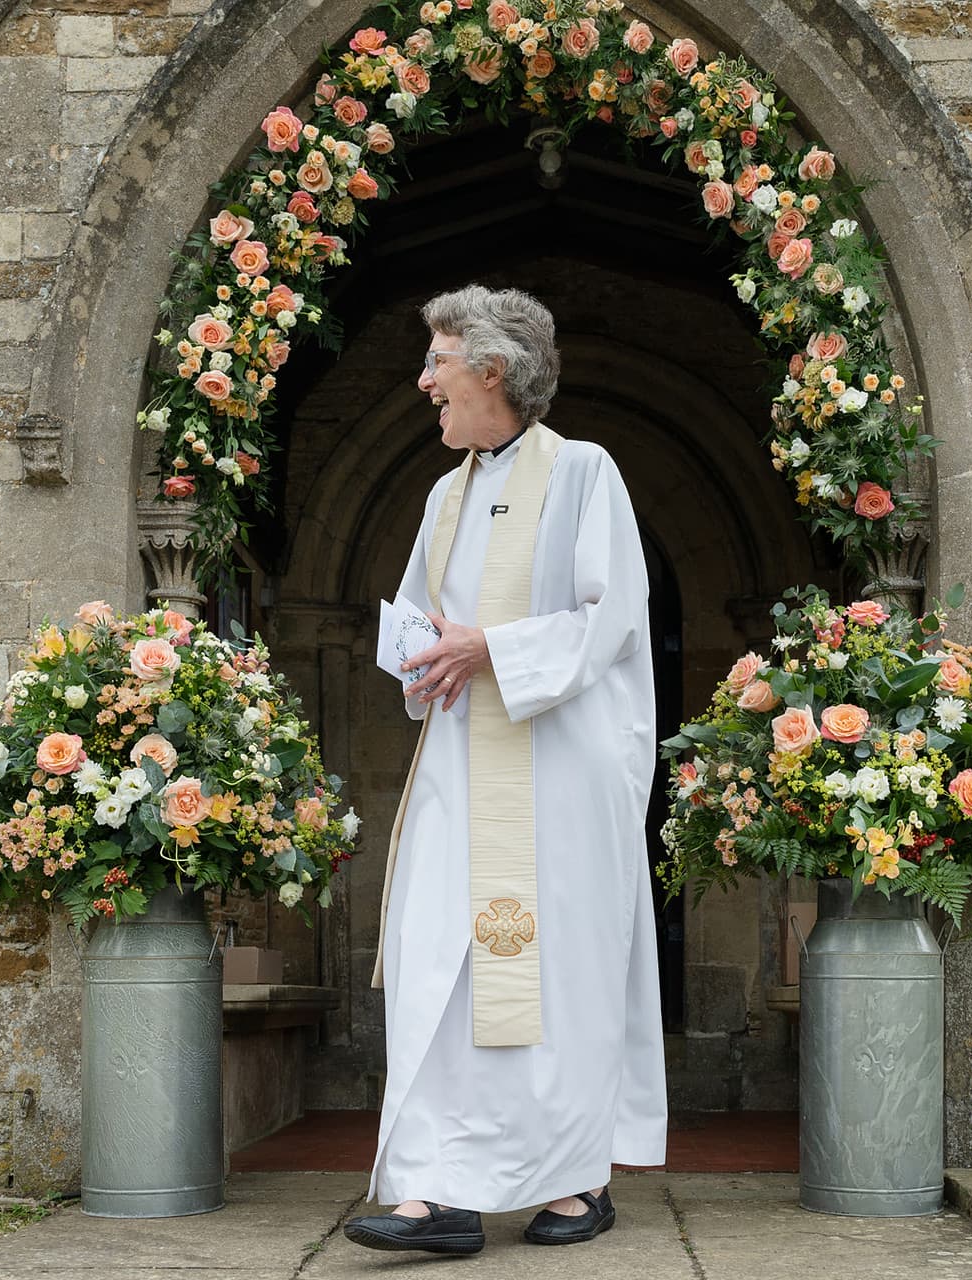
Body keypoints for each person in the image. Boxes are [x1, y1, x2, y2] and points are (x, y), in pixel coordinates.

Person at [344, 285, 666, 1256]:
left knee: (546, 968)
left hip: (554, 780)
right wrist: (424, 650)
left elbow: (607, 620)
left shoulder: (582, 474)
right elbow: (417, 620)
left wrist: (493, 648)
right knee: (437, 956)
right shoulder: (444, 495)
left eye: (436, 360)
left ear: (489, 368)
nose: (422, 380)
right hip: (459, 767)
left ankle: (572, 1178)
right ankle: (435, 1188)